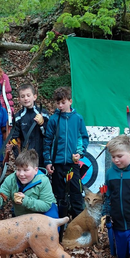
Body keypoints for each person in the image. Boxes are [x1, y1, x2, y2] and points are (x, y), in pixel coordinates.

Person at [43, 86, 89, 218]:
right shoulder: (53, 119)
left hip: (72, 163)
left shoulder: (78, 119)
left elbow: (83, 138)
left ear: (70, 101)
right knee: (59, 193)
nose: (60, 106)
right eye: (58, 103)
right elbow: (48, 141)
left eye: (63, 102)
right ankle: (60, 222)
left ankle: (79, 222)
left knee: (76, 192)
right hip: (57, 164)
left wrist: (79, 153)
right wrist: (48, 161)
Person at [0, 149, 58, 217]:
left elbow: (46, 205)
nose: (21, 174)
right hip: (22, 215)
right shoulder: (11, 179)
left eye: (26, 170)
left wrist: (25, 200)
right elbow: (4, 195)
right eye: (18, 169)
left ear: (36, 170)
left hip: (44, 212)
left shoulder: (43, 181)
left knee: (52, 222)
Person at [10, 83, 50, 167]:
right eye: (23, 96)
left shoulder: (44, 114)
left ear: (34, 97)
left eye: (28, 95)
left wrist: (42, 124)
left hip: (42, 156)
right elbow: (15, 139)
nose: (26, 98)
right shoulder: (18, 117)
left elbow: (49, 135)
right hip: (27, 158)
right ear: (19, 99)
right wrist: (18, 157)